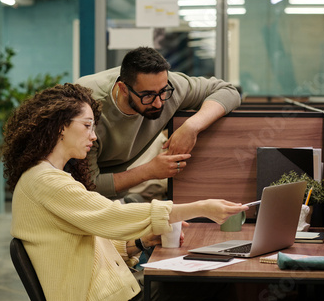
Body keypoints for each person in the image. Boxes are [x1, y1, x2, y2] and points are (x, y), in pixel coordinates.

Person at [2, 83, 247, 301]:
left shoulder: (49, 176)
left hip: (110, 293)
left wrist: (142, 242)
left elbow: (94, 242)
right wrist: (201, 207)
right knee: (216, 282)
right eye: (87, 125)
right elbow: (113, 216)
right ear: (61, 127)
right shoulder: (45, 181)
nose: (94, 136)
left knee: (207, 284)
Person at [75, 47, 241, 199]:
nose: (159, 103)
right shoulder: (85, 106)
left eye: (163, 92)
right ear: (123, 89)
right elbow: (87, 185)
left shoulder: (169, 86)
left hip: (114, 197)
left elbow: (228, 91)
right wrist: (149, 171)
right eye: (147, 95)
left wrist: (192, 126)